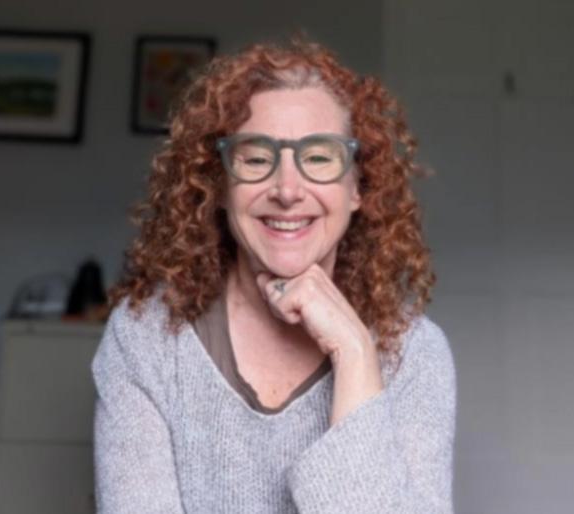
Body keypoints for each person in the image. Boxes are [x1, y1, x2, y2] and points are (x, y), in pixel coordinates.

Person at [91, 36, 457, 514]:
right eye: (257, 158)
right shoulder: (146, 338)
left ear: (357, 189)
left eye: (319, 157)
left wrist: (354, 354)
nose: (287, 190)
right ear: (220, 185)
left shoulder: (415, 356)